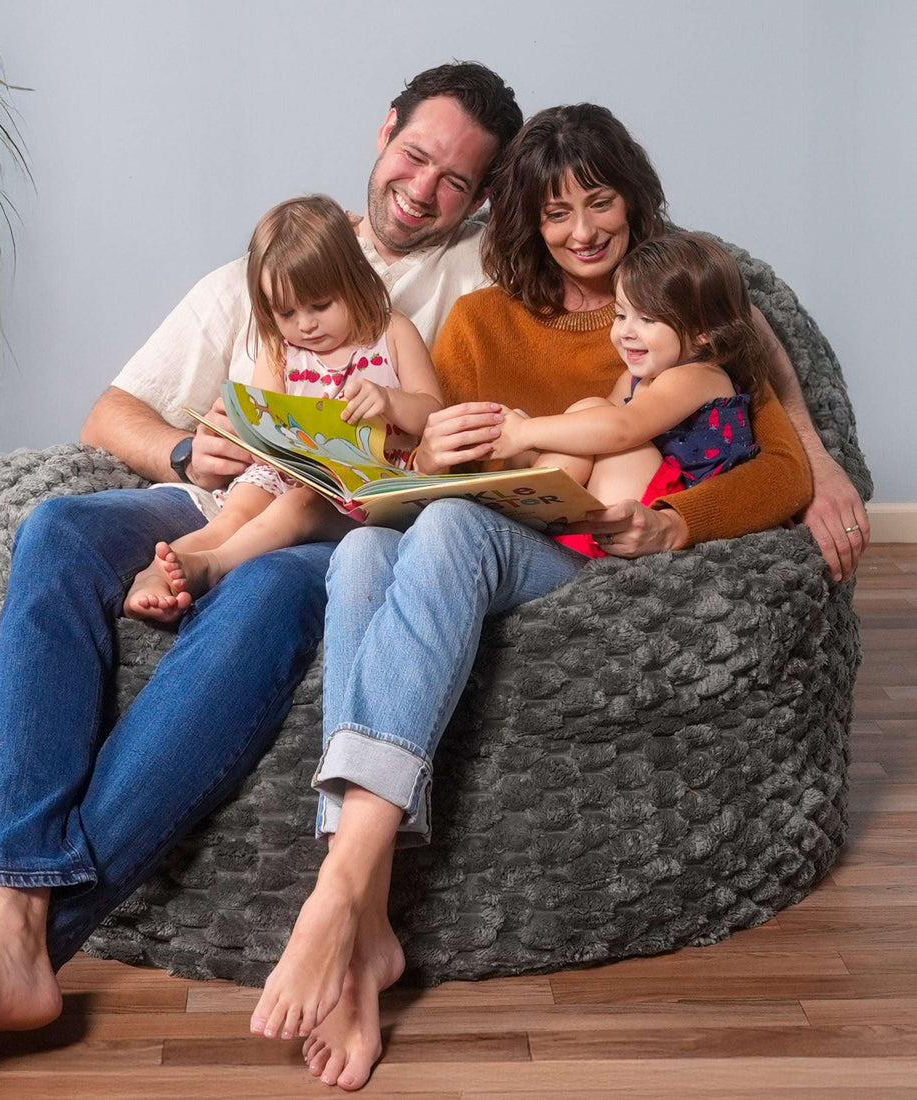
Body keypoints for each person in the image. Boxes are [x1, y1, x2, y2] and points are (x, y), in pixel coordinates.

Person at [0, 62, 523, 1100]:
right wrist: (182, 456)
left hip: (333, 531)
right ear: (382, 132)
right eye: (415, 156)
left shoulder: (484, 279)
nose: (424, 190)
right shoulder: (275, 259)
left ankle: (10, 945)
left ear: (484, 195)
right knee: (61, 526)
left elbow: (681, 290)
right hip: (228, 494)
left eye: (455, 182)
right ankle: (0, 931)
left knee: (259, 597)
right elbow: (111, 412)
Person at [247, 105, 818, 1091]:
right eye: (557, 211)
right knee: (359, 559)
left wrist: (678, 523)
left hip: (565, 553)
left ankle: (335, 886)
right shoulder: (479, 320)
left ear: (633, 202)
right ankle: (368, 926)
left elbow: (780, 469)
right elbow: (427, 460)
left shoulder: (670, 312)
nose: (583, 229)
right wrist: (433, 441)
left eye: (601, 202)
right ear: (525, 220)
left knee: (450, 530)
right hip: (474, 531)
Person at [125, 194, 443, 618]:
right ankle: (154, 574)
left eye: (320, 306)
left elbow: (433, 413)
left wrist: (389, 400)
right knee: (235, 512)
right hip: (294, 472)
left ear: (356, 280)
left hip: (362, 491)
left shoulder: (393, 332)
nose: (305, 324)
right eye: (286, 312)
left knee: (298, 507)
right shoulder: (281, 348)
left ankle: (212, 567)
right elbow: (265, 423)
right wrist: (240, 421)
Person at [490, 231, 772, 558]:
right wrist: (532, 439)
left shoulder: (701, 376)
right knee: (588, 416)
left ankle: (535, 517)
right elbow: (593, 428)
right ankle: (529, 502)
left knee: (607, 429)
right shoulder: (636, 377)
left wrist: (526, 432)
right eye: (621, 315)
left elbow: (622, 428)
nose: (625, 332)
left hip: (670, 516)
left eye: (648, 319)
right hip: (635, 499)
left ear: (703, 332)